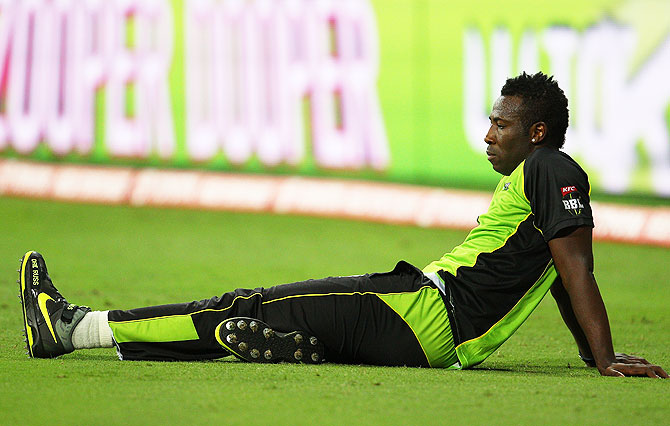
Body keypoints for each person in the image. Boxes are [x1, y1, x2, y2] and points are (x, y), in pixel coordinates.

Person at [18, 72, 667, 378]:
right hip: (423, 320)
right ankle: (304, 349)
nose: (488, 135)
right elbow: (559, 266)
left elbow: (575, 267)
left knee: (241, 306)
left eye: (502, 123)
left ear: (538, 130)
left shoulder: (551, 166)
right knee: (251, 319)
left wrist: (605, 359)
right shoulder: (546, 179)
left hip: (421, 313)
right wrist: (592, 355)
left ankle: (73, 329)